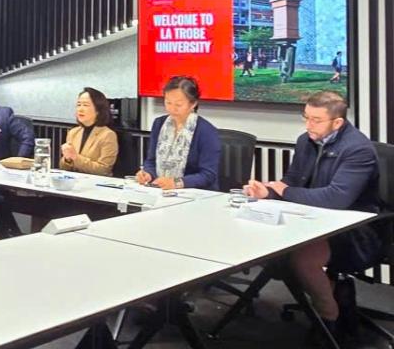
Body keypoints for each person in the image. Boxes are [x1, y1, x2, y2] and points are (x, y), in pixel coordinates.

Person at [244, 91, 380, 331]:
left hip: (353, 230)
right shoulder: (305, 141)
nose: (308, 125)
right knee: (268, 242)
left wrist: (284, 191)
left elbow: (336, 198)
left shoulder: (358, 150)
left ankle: (330, 316)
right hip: (314, 218)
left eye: (316, 120)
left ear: (337, 123)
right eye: (306, 117)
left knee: (303, 257)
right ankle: (328, 290)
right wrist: (268, 192)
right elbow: (291, 181)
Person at [138, 76, 220, 190]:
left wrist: (177, 183)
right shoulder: (159, 124)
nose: (172, 109)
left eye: (178, 105)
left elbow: (208, 175)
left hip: (196, 193)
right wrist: (148, 174)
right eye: (168, 103)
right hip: (161, 190)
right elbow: (151, 161)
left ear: (193, 104)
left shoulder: (206, 131)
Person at [59, 87, 119, 176]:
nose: (80, 109)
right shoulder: (73, 132)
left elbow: (104, 170)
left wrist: (75, 157)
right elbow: (63, 168)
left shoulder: (108, 135)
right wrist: (67, 159)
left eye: (85, 105)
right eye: (78, 105)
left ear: (98, 110)